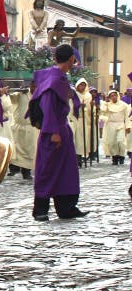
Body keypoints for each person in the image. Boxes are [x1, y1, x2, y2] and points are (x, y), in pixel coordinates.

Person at [32, 44, 89, 220]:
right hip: (54, 130)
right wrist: (53, 131)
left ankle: (66, 207)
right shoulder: (54, 79)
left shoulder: (58, 77)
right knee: (48, 169)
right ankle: (40, 209)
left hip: (61, 129)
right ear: (71, 59)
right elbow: (47, 105)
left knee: (66, 169)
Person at [8, 84, 37, 179]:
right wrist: (18, 91)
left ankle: (26, 171)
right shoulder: (22, 94)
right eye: (33, 86)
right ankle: (13, 169)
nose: (34, 88)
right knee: (15, 149)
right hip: (18, 126)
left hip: (31, 127)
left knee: (29, 151)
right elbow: (11, 97)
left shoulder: (39, 96)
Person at [99, 89, 130, 165]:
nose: (113, 97)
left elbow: (127, 117)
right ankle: (115, 156)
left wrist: (128, 126)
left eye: (114, 95)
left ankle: (121, 155)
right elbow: (102, 113)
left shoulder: (124, 105)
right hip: (110, 125)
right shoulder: (107, 105)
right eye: (111, 96)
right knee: (112, 142)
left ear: (117, 95)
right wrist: (106, 103)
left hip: (120, 124)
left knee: (120, 141)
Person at [73, 78, 95, 167]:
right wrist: (78, 107)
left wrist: (92, 107)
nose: (82, 87)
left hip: (84, 120)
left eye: (84, 85)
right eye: (80, 85)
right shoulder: (74, 94)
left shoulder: (88, 96)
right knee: (75, 139)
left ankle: (80, 157)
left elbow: (90, 111)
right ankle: (75, 158)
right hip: (75, 119)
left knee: (82, 140)